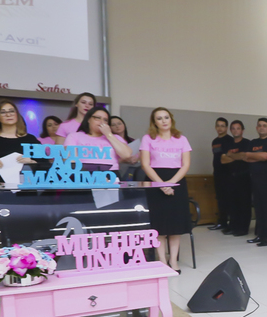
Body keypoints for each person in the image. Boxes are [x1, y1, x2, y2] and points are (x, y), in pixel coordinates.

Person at [140, 107, 192, 271]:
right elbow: (145, 165)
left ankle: (173, 260)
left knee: (176, 225)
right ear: (154, 122)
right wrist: (161, 184)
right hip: (155, 181)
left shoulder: (181, 139)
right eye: (159, 118)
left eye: (166, 117)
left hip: (177, 181)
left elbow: (186, 165)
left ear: (171, 119)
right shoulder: (148, 139)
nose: (163, 121)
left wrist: (171, 183)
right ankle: (162, 260)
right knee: (159, 225)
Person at [0, 100, 45, 183]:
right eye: (3, 112)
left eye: (11, 111)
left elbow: (45, 165)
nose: (8, 115)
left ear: (17, 114)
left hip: (24, 185)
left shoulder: (30, 139)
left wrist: (31, 162)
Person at [243, 118, 267, 247]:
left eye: (264, 126)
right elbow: (246, 158)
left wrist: (257, 156)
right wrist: (260, 157)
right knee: (258, 209)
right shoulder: (253, 142)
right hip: (255, 179)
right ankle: (260, 235)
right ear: (256, 128)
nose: (262, 128)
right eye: (259, 125)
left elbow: (265, 156)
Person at [65, 106, 131, 172]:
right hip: (83, 173)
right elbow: (70, 160)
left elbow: (126, 155)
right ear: (88, 119)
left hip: (111, 173)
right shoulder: (74, 136)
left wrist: (109, 135)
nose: (102, 122)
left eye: (105, 120)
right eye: (98, 118)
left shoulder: (115, 137)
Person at [220, 120, 252, 236]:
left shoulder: (247, 143)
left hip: (244, 177)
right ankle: (233, 226)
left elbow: (245, 157)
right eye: (233, 128)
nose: (235, 130)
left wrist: (231, 155)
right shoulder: (227, 144)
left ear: (242, 130)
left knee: (244, 203)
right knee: (232, 203)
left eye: (238, 128)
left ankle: (243, 228)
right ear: (230, 130)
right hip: (230, 177)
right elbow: (223, 160)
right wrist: (237, 156)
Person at [208, 117, 232, 231]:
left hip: (228, 174)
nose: (220, 128)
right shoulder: (215, 141)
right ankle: (222, 222)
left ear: (226, 128)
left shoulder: (229, 140)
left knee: (228, 199)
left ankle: (230, 223)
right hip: (217, 173)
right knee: (220, 198)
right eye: (218, 126)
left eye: (222, 126)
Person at [109, 115, 142, 182]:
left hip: (133, 167)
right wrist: (122, 160)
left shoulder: (132, 140)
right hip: (119, 168)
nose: (117, 126)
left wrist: (136, 158)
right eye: (113, 125)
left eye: (119, 123)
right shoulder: (109, 141)